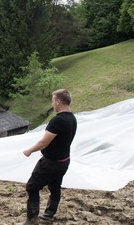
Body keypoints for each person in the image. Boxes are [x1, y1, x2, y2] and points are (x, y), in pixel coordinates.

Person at [21, 89, 77, 224]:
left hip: (51, 163)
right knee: (55, 187)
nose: (52, 103)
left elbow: (43, 143)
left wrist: (29, 150)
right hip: (63, 161)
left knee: (32, 187)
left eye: (53, 100)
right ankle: (48, 216)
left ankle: (32, 220)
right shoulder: (72, 118)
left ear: (58, 101)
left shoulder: (57, 120)